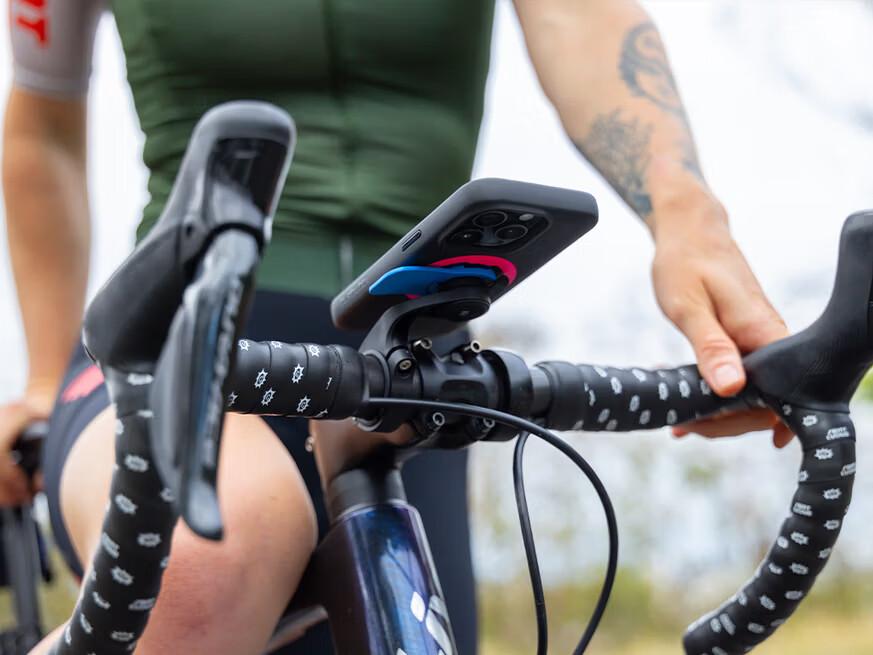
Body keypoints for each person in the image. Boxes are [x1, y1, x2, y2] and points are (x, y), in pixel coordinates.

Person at [1, 0, 791, 653]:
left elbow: (580, 17)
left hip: (410, 370)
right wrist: (40, 380)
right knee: (208, 561)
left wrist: (685, 215)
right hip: (179, 339)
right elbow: (41, 127)